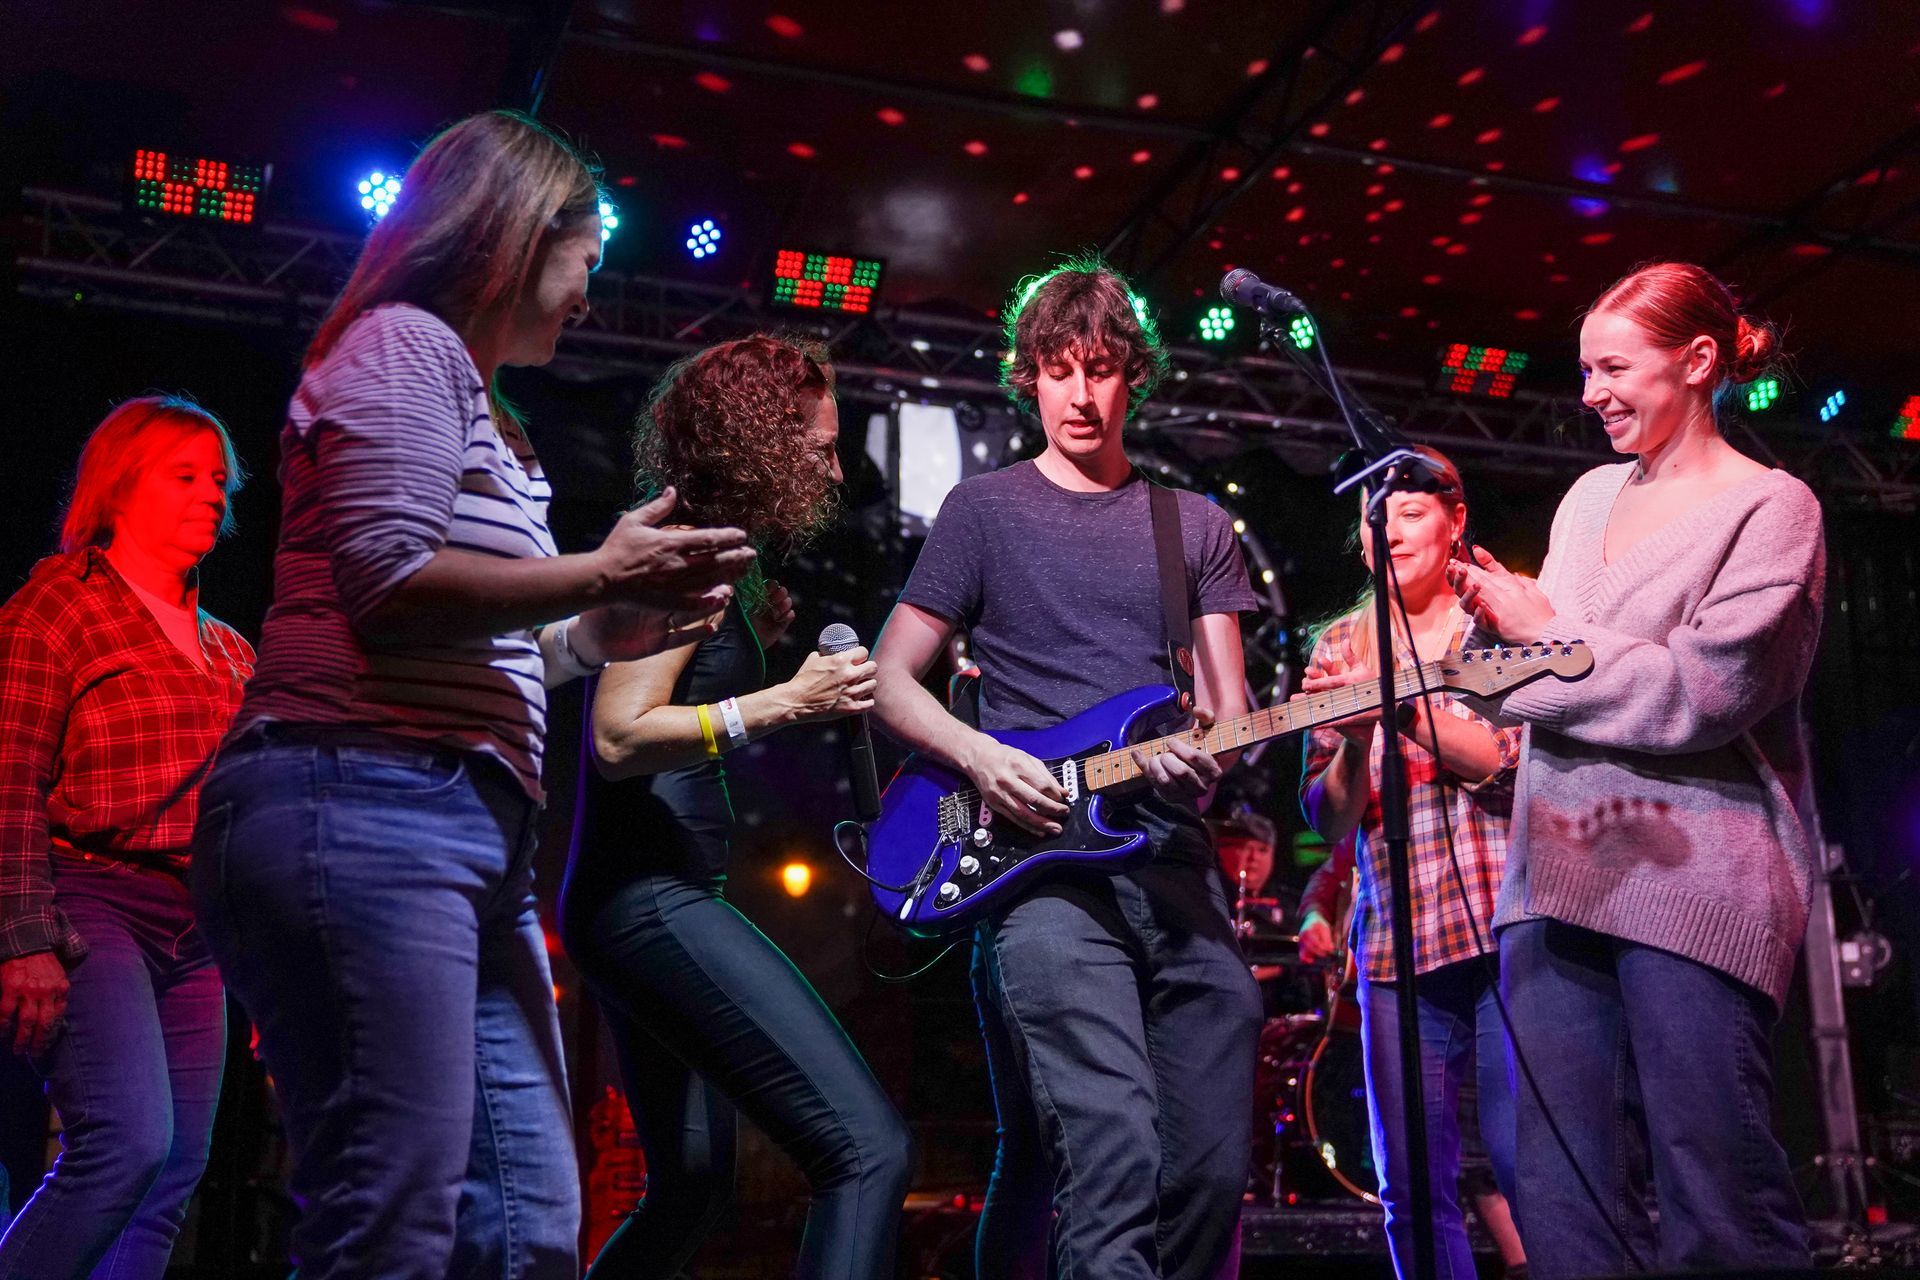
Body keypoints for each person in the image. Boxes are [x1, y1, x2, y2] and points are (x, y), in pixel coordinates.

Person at [187, 110, 753, 1279]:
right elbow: (388, 587)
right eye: (584, 264)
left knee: (530, 1225)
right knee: (391, 1216)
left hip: (454, 822)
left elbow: (490, 640)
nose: (590, 299)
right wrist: (602, 567)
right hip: (361, 790)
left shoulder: (488, 412)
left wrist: (605, 627)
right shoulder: (404, 347)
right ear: (515, 234)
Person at [870, 257, 1263, 1280]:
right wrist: (983, 755)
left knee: (1214, 1173)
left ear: (1134, 375)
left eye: (1100, 369)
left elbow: (1233, 718)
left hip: (1171, 862)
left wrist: (1207, 765)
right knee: (1111, 1151)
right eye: (1058, 369)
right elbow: (890, 678)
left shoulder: (1194, 524)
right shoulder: (984, 511)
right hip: (1039, 865)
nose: (1081, 395)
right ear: (1029, 376)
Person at [1448, 260, 1822, 1274]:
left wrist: (1544, 636)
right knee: (1561, 1201)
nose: (1590, 392)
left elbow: (1701, 695)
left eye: (1615, 366)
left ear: (1698, 361)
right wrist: (1478, 655)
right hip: (1553, 876)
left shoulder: (1772, 508)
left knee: (1719, 1197)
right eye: (1584, 369)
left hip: (1693, 885)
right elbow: (1535, 678)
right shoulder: (1584, 499)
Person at [561, 335, 910, 1279]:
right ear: (757, 440)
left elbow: (675, 677)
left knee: (694, 1183)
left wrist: (753, 636)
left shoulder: (727, 557)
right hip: (646, 901)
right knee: (866, 1152)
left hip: (640, 895)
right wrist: (782, 698)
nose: (837, 472)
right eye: (818, 450)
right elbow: (619, 737)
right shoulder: (687, 553)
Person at [0, 397, 252, 1278]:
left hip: (197, 930)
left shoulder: (232, 652)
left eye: (218, 481)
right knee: (127, 1143)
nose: (210, 496)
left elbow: (242, 819)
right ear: (118, 487)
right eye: (183, 477)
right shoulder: (56, 609)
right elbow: (8, 780)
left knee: (174, 1171)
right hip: (89, 898)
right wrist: (23, 939)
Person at [1292, 445, 1522, 1280]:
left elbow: (1506, 759)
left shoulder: (1498, 621)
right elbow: (1326, 816)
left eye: (1413, 512)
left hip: (1508, 933)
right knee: (1411, 1191)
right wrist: (1352, 747)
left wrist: (1402, 710)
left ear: (1456, 523)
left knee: (1532, 1167)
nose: (1390, 530)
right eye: (1374, 515)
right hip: (1397, 952)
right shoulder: (1337, 647)